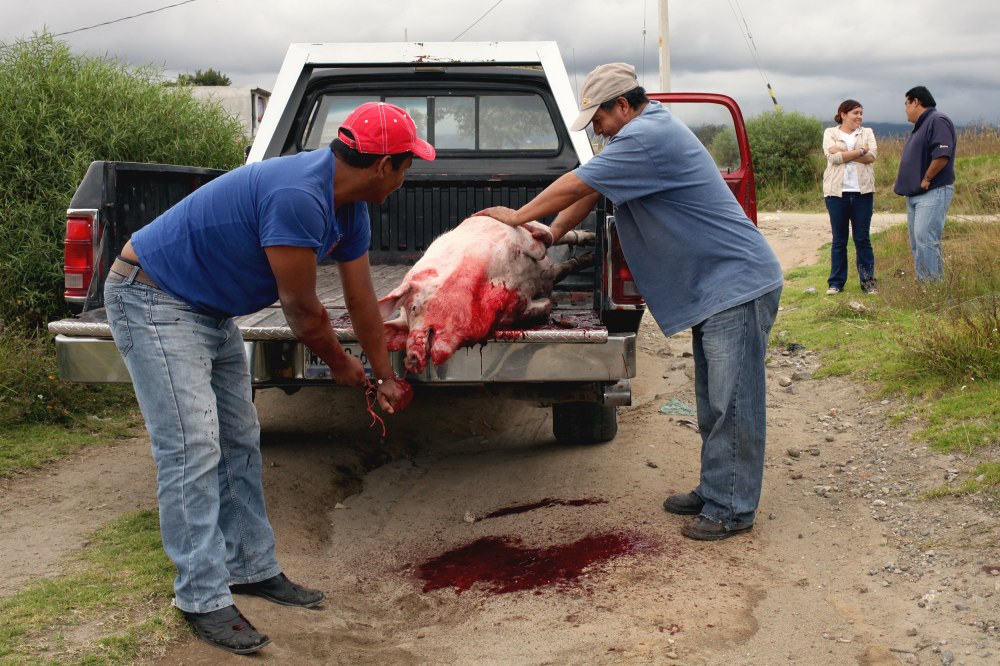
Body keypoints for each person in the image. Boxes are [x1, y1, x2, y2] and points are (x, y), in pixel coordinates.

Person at [104, 102, 434, 654]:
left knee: (238, 438)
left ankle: (250, 567)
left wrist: (384, 373)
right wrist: (342, 366)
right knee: (192, 446)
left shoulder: (350, 207)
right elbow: (302, 311)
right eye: (406, 167)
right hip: (153, 298)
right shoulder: (298, 196)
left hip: (209, 310)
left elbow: (359, 300)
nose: (405, 179)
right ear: (383, 167)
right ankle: (201, 597)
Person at [476, 63, 783, 541]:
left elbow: (576, 183)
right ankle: (717, 487)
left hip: (736, 283)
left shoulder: (648, 136)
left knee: (733, 402)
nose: (595, 130)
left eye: (597, 119)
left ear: (623, 106)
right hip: (716, 287)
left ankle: (732, 507)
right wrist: (551, 233)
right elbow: (592, 185)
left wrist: (517, 216)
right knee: (712, 399)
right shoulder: (636, 138)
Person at [893, 86, 957, 282]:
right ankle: (926, 288)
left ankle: (933, 291)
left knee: (926, 240)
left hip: (933, 191)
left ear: (916, 102)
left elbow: (942, 154)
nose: (905, 108)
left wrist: (927, 178)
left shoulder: (937, 120)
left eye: (906, 103)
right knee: (918, 243)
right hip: (915, 195)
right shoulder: (922, 125)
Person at [822, 99, 878, 295]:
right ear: (843, 114)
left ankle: (868, 282)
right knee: (839, 240)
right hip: (836, 193)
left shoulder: (867, 132)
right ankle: (836, 283)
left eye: (861, 113)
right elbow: (833, 159)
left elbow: (872, 157)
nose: (859, 117)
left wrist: (845, 152)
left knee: (862, 238)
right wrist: (860, 151)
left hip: (863, 193)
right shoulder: (830, 133)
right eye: (855, 113)